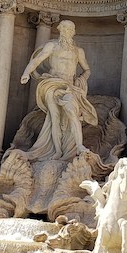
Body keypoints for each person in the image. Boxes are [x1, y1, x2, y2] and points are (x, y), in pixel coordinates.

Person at [19, 19, 98, 161]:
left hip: (69, 86)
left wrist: (81, 79)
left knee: (72, 112)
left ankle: (79, 146)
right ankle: (57, 151)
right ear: (60, 30)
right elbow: (36, 61)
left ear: (73, 32)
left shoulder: (78, 51)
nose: (67, 32)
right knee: (54, 117)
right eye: (64, 28)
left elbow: (87, 70)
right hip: (52, 84)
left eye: (70, 29)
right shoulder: (52, 46)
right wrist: (26, 73)